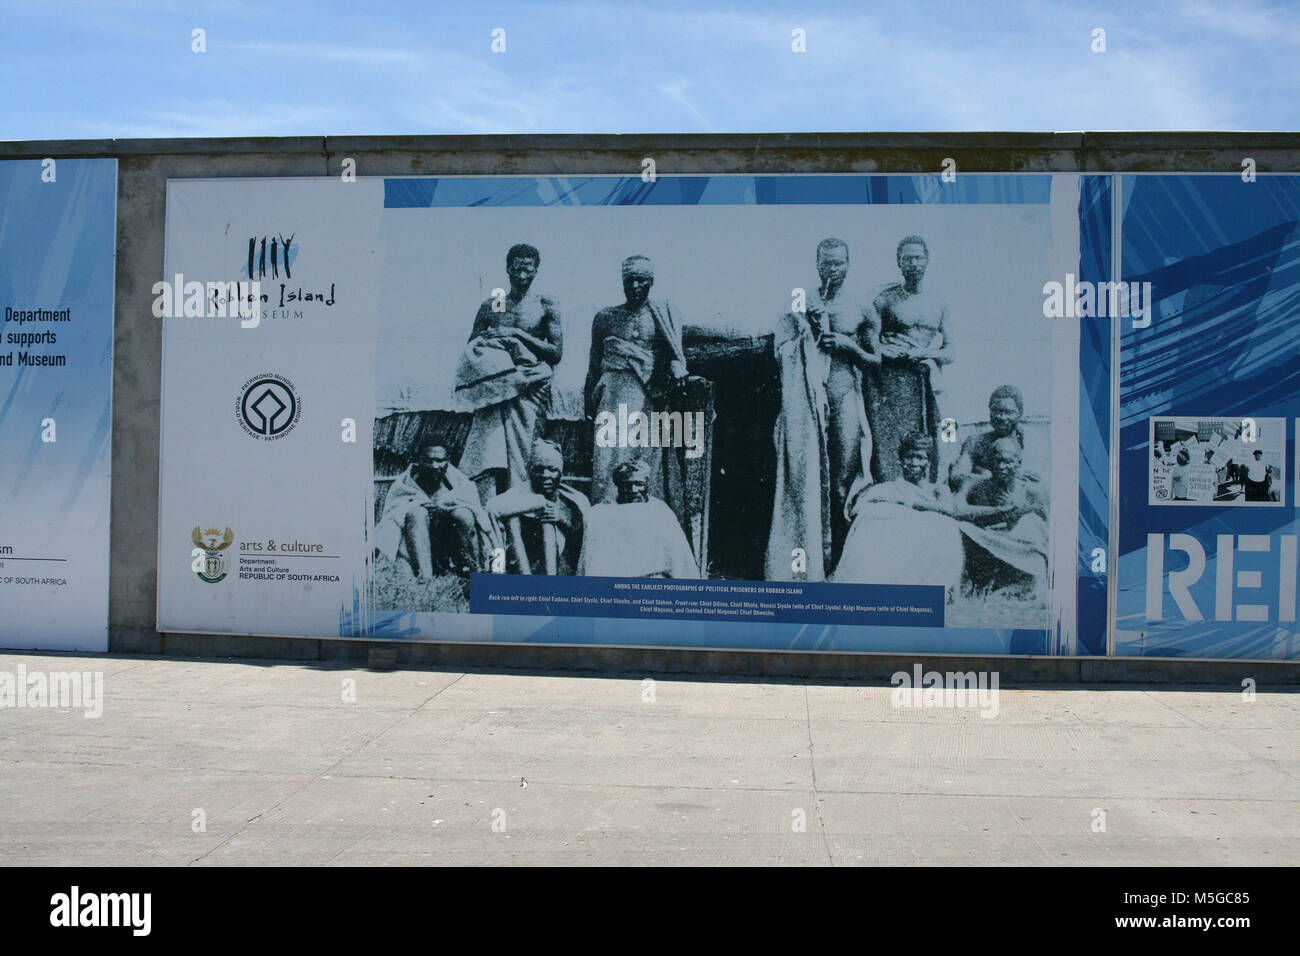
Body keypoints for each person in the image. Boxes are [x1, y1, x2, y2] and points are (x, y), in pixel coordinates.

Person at [766, 238, 880, 580]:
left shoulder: (862, 308)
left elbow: (877, 361)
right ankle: (812, 564)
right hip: (806, 402)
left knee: (844, 481)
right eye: (828, 264)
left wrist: (848, 347)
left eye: (840, 263)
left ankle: (841, 567)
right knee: (807, 478)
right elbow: (780, 348)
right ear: (817, 264)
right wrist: (807, 332)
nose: (835, 270)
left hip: (844, 394)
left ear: (850, 264)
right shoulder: (801, 300)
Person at [584, 256, 690, 521]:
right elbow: (593, 365)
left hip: (645, 395)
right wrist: (588, 404)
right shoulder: (605, 317)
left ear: (651, 282)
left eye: (642, 280)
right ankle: (606, 519)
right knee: (607, 458)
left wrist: (677, 365)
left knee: (644, 457)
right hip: (611, 395)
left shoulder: (661, 313)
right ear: (622, 282)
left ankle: (646, 522)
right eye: (630, 280)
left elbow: (675, 353)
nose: (635, 285)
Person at [455, 244, 563, 501]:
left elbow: (556, 353)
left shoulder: (545, 305)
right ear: (507, 269)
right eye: (517, 269)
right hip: (496, 389)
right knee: (490, 448)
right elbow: (472, 350)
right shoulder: (493, 306)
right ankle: (489, 503)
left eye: (528, 269)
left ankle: (520, 504)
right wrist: (494, 346)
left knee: (522, 451)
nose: (522, 275)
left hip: (529, 386)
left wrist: (516, 335)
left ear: (536, 270)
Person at [831, 434, 963, 593]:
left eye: (920, 458)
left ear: (928, 461)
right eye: (909, 457)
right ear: (900, 460)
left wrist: (911, 504)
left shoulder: (937, 489)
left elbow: (949, 511)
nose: (914, 463)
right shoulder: (887, 490)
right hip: (896, 549)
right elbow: (861, 509)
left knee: (945, 525)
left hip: (923, 549)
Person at [869, 235, 953, 483]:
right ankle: (892, 494)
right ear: (899, 262)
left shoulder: (938, 302)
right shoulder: (884, 300)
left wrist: (922, 353)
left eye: (918, 257)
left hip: (927, 378)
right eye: (908, 258)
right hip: (892, 383)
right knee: (891, 441)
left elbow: (951, 352)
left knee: (942, 431)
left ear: (927, 261)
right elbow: (870, 345)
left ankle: (936, 487)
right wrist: (888, 351)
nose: (914, 263)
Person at [375, 445, 497, 578]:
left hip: (451, 537)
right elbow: (393, 515)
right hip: (417, 539)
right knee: (416, 514)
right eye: (427, 460)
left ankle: (470, 570)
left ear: (447, 461)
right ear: (417, 460)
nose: (433, 466)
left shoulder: (458, 481)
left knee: (464, 514)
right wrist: (421, 506)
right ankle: (425, 576)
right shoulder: (404, 485)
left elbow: (475, 508)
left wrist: (443, 507)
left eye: (439, 460)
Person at [958, 437, 1050, 595]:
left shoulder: (1032, 490)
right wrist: (1000, 512)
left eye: (1008, 462)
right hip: (992, 543)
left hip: (1023, 548)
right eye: (997, 460)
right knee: (963, 529)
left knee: (1029, 521)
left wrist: (1019, 511)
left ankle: (1028, 581)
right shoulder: (979, 487)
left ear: (1019, 463)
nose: (1001, 467)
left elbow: (1047, 527)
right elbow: (958, 510)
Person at [578, 460, 699, 578]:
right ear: (618, 486)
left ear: (647, 484)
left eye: (639, 484)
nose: (633, 490)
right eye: (627, 485)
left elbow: (680, 558)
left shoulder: (661, 512)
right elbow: (591, 562)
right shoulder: (600, 515)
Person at [485, 440, 590, 575]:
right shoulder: (516, 496)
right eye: (539, 469)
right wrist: (537, 502)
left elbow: (584, 540)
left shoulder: (574, 499)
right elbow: (492, 509)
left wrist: (564, 519)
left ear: (561, 472)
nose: (545, 475)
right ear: (530, 471)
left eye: (552, 469)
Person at [950, 385, 1035, 492]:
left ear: (1020, 414)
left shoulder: (1029, 440)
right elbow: (957, 475)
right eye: (996, 411)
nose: (1001, 417)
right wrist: (985, 476)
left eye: (1008, 412)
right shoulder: (976, 442)